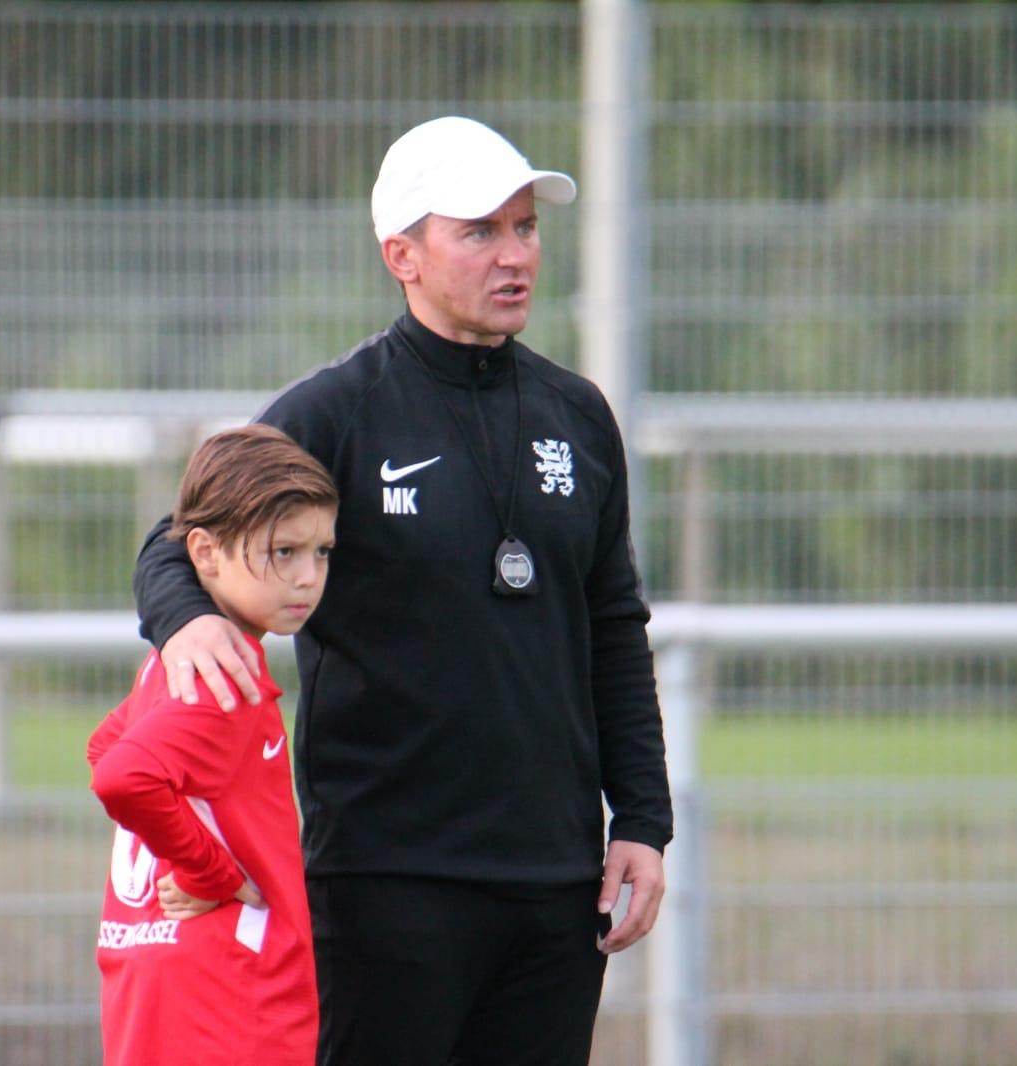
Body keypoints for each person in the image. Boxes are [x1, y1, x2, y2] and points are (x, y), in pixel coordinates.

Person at [133, 115, 672, 1065]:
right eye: (480, 232)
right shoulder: (337, 412)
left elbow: (614, 627)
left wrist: (640, 819)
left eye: (526, 228)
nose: (515, 255)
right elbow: (176, 546)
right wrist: (184, 623)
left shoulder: (579, 415)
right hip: (382, 884)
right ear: (402, 255)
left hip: (555, 885)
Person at [88, 424, 337, 1066]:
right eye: (284, 552)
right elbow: (120, 775)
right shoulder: (226, 680)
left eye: (322, 552)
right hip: (232, 999)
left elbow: (105, 745)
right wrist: (210, 871)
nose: (308, 577)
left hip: (165, 987)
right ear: (203, 553)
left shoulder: (173, 660)